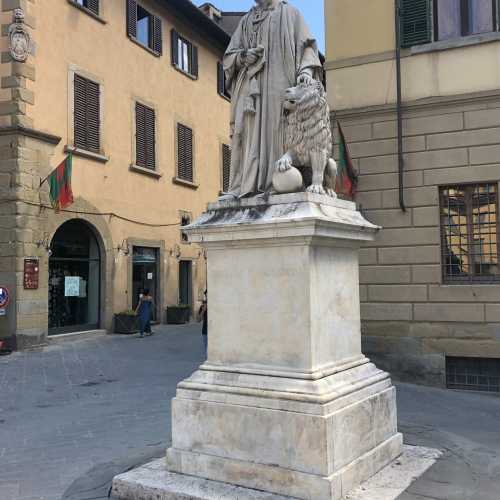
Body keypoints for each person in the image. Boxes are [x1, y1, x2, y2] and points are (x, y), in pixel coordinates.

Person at [222, 0, 322, 198]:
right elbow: (229, 57)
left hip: (281, 84)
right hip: (251, 90)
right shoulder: (246, 21)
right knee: (245, 133)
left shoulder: (291, 14)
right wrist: (243, 57)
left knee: (278, 129)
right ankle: (242, 187)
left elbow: (308, 48)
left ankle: (278, 182)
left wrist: (306, 72)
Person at [198, 290, 208, 356]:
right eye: (207, 295)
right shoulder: (203, 306)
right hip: (205, 330)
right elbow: (199, 319)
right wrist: (203, 310)